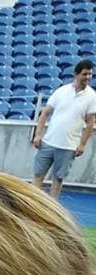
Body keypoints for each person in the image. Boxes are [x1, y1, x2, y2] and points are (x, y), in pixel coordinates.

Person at [32, 59, 96, 199]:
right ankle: (32, 204)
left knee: (58, 179)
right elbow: (44, 113)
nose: (88, 77)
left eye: (90, 74)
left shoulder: (92, 96)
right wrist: (38, 135)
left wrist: (82, 144)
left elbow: (91, 123)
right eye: (85, 74)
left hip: (68, 146)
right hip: (48, 142)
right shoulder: (61, 91)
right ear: (76, 74)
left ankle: (52, 206)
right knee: (38, 175)